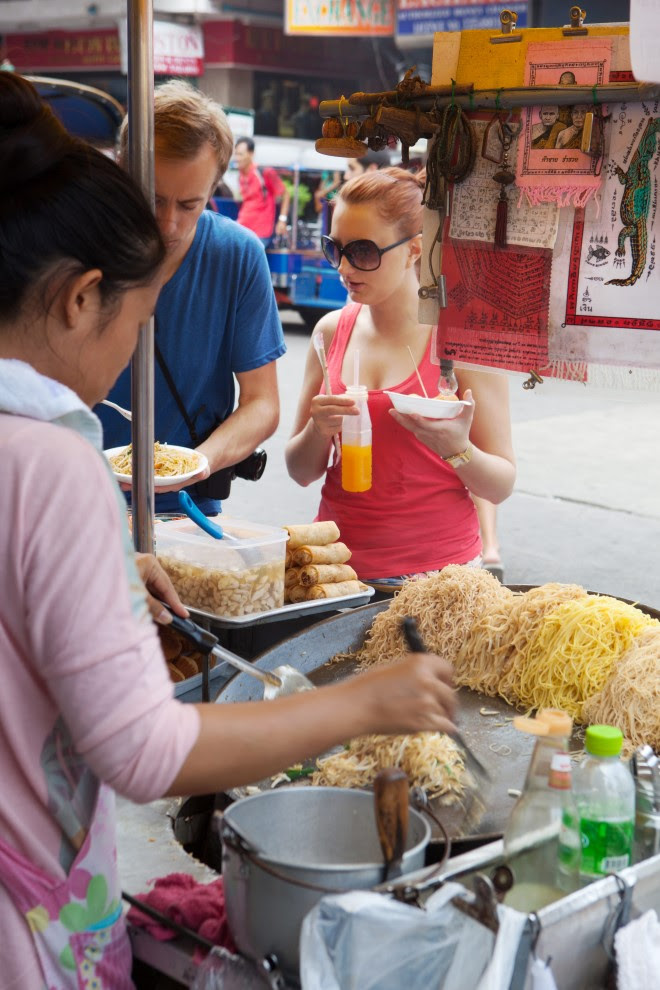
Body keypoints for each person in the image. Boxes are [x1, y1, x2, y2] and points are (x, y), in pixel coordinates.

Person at [0, 73, 458, 990]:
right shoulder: (51, 463)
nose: (127, 352)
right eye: (133, 322)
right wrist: (371, 702)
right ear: (81, 299)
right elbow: (145, 755)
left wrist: (116, 569)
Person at [285, 168, 516, 586]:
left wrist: (457, 448)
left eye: (363, 251)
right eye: (333, 248)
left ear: (415, 250)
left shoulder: (462, 340)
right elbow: (300, 471)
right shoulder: (330, 331)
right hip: (338, 572)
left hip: (439, 579)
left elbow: (500, 484)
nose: (344, 267)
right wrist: (318, 431)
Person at [96, 81, 286, 516]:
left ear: (215, 186)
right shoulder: (74, 242)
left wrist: (200, 464)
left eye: (188, 205)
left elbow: (262, 402)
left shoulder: (237, 255)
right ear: (122, 166)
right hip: (72, 504)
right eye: (154, 198)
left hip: (187, 510)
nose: (168, 223)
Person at [234, 135, 291, 247]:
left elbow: (286, 194)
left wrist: (282, 220)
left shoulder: (265, 172)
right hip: (242, 227)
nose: (237, 158)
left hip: (260, 232)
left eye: (241, 154)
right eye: (236, 154)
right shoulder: (241, 175)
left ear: (251, 154)